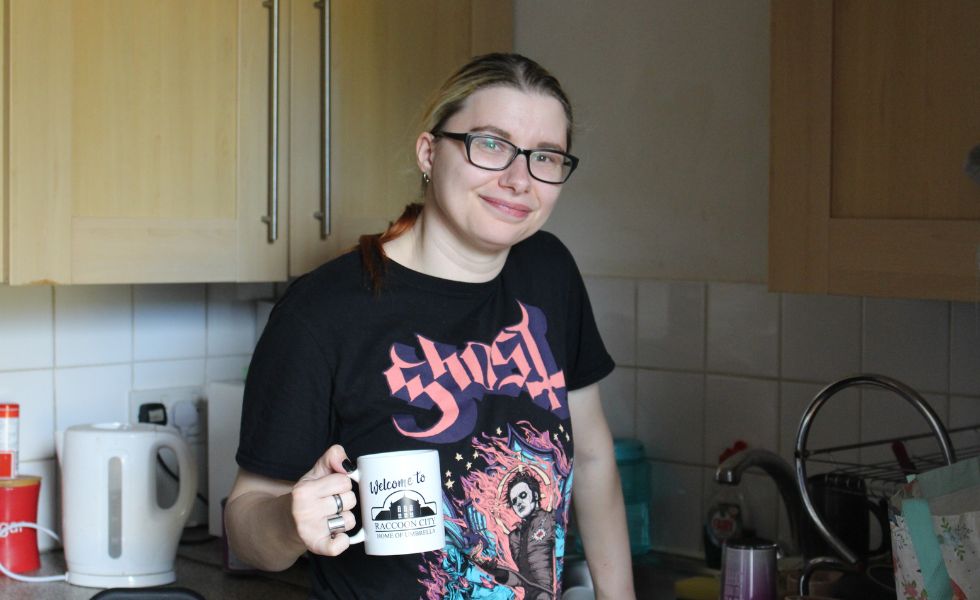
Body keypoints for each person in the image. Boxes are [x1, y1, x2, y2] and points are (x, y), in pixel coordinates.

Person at [225, 52, 636, 600]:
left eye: (545, 156)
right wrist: (287, 520)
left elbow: (591, 457)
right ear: (429, 152)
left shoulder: (548, 271)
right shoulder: (323, 312)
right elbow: (246, 523)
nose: (519, 179)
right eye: (491, 144)